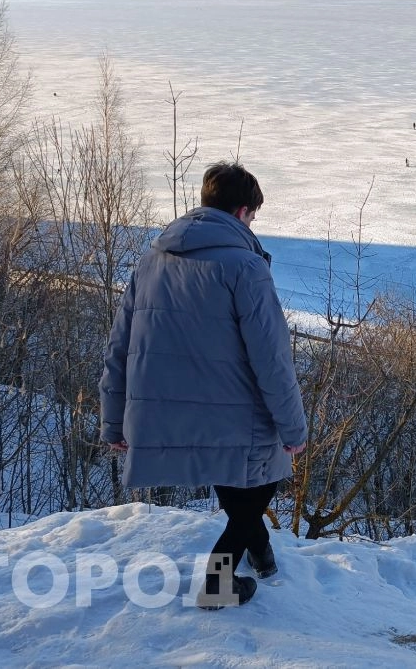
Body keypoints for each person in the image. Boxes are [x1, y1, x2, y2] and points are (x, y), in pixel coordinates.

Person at [98, 162, 308, 609]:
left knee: (237, 488)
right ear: (244, 211)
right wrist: (293, 428)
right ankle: (217, 584)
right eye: (253, 217)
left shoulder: (151, 260)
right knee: (258, 488)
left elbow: (121, 347)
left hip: (172, 413)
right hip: (236, 415)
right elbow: (272, 358)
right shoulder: (245, 267)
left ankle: (262, 554)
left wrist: (114, 421)